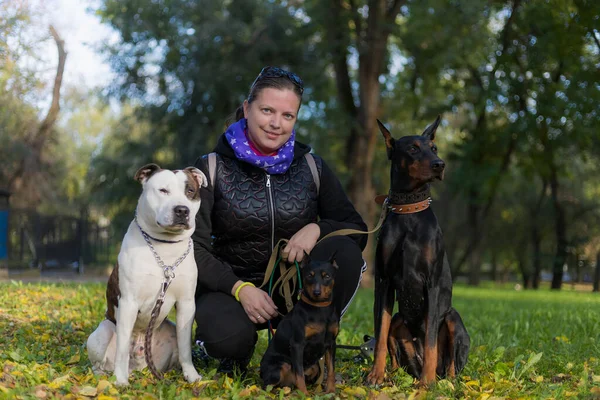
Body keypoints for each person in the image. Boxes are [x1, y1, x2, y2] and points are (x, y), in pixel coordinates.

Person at [192, 66, 368, 374]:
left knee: (346, 250)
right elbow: (193, 247)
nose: (276, 124)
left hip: (297, 291)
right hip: (230, 288)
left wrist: (316, 228)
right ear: (247, 109)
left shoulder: (313, 167)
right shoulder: (211, 167)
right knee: (230, 340)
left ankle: (313, 340)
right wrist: (239, 288)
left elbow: (356, 228)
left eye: (287, 116)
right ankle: (219, 345)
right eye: (267, 110)